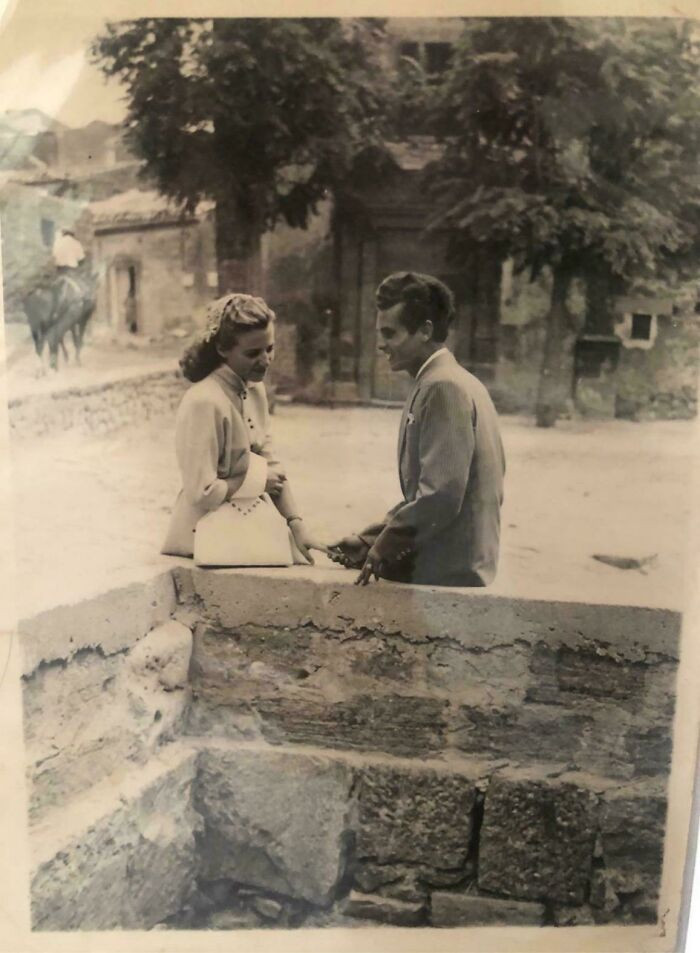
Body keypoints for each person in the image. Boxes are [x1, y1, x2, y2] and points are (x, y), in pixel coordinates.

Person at [329, 271, 505, 587]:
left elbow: (442, 494)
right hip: (459, 553)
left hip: (453, 563)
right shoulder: (448, 379)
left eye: (390, 334)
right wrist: (371, 538)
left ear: (424, 331)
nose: (381, 345)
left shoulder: (443, 387)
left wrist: (384, 547)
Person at [161, 293, 325, 564]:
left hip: (247, 524)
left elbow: (271, 464)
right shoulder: (204, 402)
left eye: (269, 349)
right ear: (223, 349)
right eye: (252, 353)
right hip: (203, 537)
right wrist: (257, 480)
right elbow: (202, 492)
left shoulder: (255, 391)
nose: (265, 360)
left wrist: (296, 524)